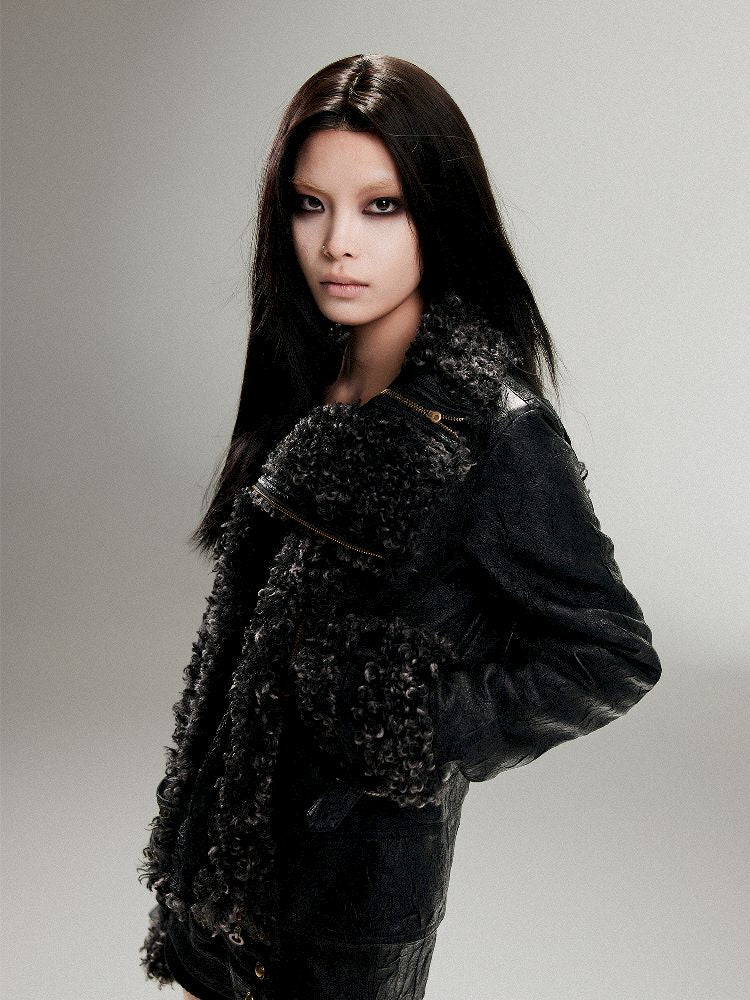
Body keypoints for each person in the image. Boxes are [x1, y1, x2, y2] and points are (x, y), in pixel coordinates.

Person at [137, 53, 662, 1000]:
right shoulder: (314, 382)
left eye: (382, 206)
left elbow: (610, 656)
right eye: (310, 205)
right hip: (231, 875)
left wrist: (413, 720)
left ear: (440, 217)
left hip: (353, 900)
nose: (338, 243)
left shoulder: (493, 429)